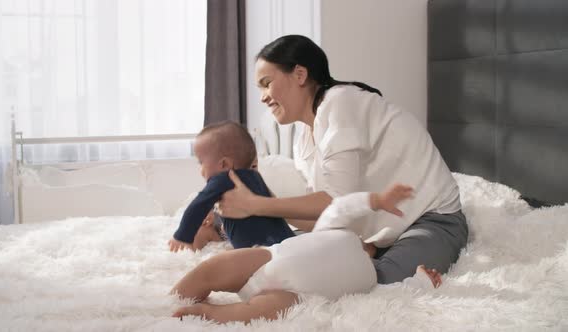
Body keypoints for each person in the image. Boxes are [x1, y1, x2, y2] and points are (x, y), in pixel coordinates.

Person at [216, 35, 469, 284]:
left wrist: (257, 204)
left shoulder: (341, 102)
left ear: (300, 74)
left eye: (267, 83)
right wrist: (261, 207)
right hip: (380, 236)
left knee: (371, 284)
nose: (263, 96)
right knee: (299, 266)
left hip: (431, 220)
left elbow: (332, 199)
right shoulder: (303, 138)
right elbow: (327, 214)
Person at [171, 184, 443, 324]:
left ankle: (208, 313)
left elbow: (396, 295)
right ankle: (173, 297)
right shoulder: (337, 231)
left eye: (376, 249)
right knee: (214, 268)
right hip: (267, 261)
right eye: (371, 243)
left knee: (260, 311)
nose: (370, 248)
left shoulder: (373, 278)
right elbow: (341, 208)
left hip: (294, 296)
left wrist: (421, 281)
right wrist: (375, 201)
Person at [168, 121, 295, 252]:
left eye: (202, 163)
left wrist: (182, 236)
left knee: (212, 264)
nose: (201, 170)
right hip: (287, 242)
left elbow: (197, 206)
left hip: (258, 251)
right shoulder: (256, 177)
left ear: (224, 164)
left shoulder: (224, 178)